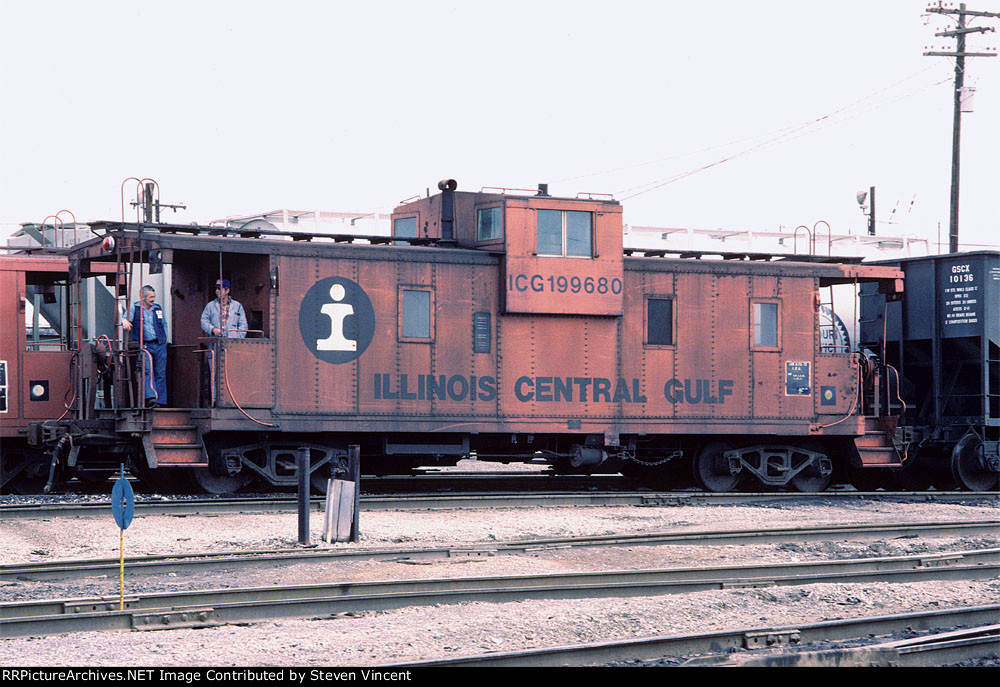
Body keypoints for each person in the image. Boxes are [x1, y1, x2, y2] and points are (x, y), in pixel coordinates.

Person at [121, 284, 167, 408]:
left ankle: (161, 401)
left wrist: (165, 338)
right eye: (150, 297)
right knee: (147, 370)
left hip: (159, 344)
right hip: (145, 344)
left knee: (160, 372)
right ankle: (151, 397)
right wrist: (125, 321)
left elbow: (163, 323)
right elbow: (125, 318)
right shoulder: (135, 307)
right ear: (143, 297)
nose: (153, 299)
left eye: (154, 297)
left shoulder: (157, 308)